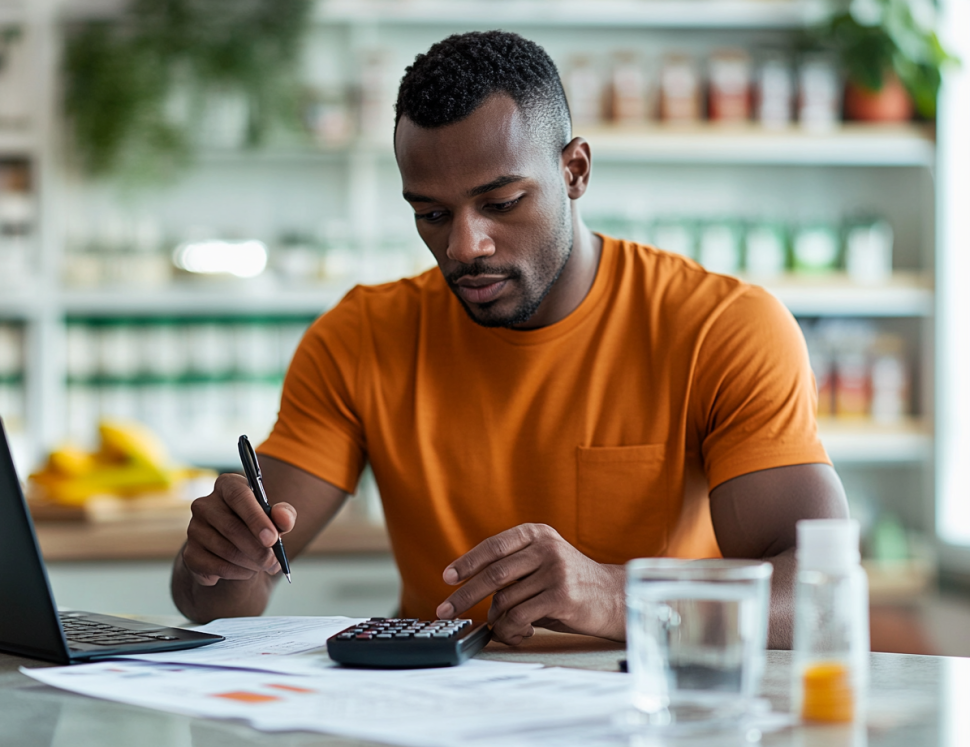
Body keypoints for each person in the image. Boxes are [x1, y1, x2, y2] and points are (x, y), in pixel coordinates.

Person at [171, 31, 848, 648]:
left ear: (575, 171)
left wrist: (619, 594)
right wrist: (215, 557)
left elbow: (823, 592)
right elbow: (230, 596)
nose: (465, 245)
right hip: (435, 710)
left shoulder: (721, 328)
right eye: (432, 214)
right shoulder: (361, 336)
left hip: (651, 703)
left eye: (501, 203)